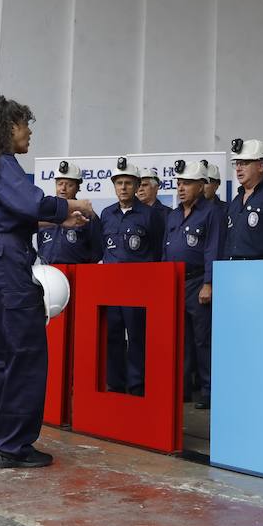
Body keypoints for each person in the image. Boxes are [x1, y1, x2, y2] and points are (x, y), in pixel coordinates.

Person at [0, 96, 93, 468]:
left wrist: (58, 221)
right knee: (27, 353)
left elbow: (14, 215)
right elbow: (32, 202)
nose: (29, 131)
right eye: (23, 124)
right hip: (8, 263)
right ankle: (13, 446)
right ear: (8, 128)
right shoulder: (5, 163)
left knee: (0, 356)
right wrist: (74, 206)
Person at [164, 159, 226, 409]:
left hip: (198, 281)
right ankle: (183, 389)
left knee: (203, 339)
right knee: (181, 339)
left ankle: (209, 391)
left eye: (187, 183)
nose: (181, 188)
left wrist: (209, 283)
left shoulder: (212, 213)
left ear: (202, 185)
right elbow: (164, 251)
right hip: (175, 282)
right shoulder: (174, 214)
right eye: (179, 183)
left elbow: (213, 249)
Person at [99, 157, 164, 395]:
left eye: (128, 182)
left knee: (138, 338)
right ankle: (115, 384)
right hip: (111, 286)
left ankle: (137, 386)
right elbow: (101, 249)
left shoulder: (150, 215)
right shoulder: (106, 214)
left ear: (137, 186)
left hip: (139, 287)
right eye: (119, 183)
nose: (123, 187)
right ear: (114, 186)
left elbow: (158, 250)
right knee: (112, 336)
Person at [38, 161, 104, 264]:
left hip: (78, 272)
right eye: (60, 184)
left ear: (78, 188)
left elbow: (97, 251)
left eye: (69, 185)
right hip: (48, 272)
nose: (63, 189)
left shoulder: (87, 215)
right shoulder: (46, 213)